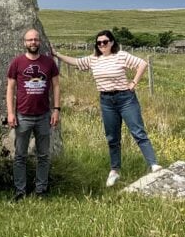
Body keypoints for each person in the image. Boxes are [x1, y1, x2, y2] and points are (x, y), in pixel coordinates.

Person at [52, 30, 161, 188]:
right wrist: (57, 54)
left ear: (111, 42)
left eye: (105, 42)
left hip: (126, 98)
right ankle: (115, 170)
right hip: (106, 101)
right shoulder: (94, 59)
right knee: (112, 137)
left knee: (138, 131)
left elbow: (142, 64)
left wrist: (134, 83)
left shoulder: (121, 55)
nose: (102, 45)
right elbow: (76, 62)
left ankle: (153, 165)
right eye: (99, 43)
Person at [6, 28, 61, 200]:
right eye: (30, 40)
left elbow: (56, 86)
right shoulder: (17, 63)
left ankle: (41, 190)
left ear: (40, 42)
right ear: (24, 42)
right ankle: (20, 191)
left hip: (44, 115)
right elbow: (10, 88)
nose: (33, 43)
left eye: (36, 39)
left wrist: (56, 109)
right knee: (20, 155)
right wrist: (10, 112)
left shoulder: (49, 63)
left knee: (43, 155)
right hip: (23, 115)